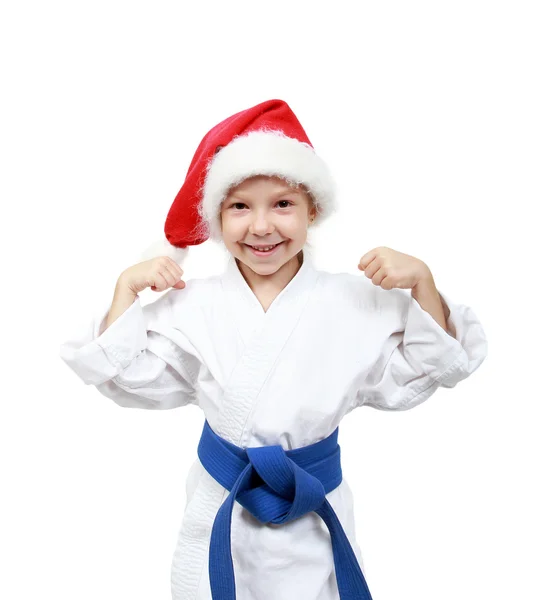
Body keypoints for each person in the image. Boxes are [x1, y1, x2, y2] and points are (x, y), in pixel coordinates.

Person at [59, 99, 488, 600]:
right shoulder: (188, 304)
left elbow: (432, 369)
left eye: (283, 204)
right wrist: (124, 293)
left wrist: (423, 284)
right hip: (224, 505)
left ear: (314, 211)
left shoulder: (355, 302)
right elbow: (125, 377)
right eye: (240, 206)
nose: (261, 226)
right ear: (217, 218)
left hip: (312, 511)